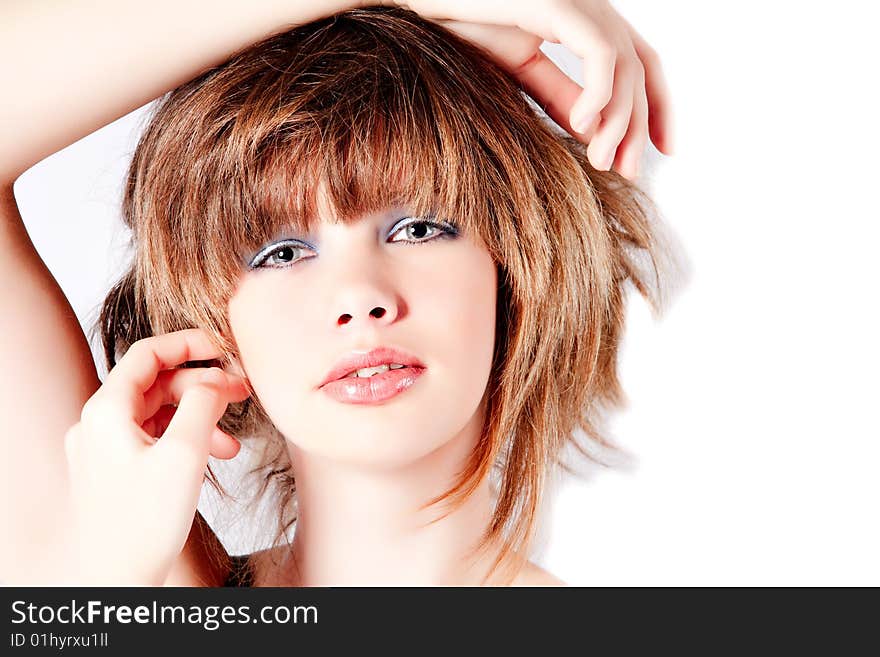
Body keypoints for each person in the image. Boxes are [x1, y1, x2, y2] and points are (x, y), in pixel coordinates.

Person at [0, 0, 675, 586]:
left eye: (418, 228)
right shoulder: (130, 578)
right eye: (282, 252)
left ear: (515, 268)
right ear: (214, 323)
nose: (360, 297)